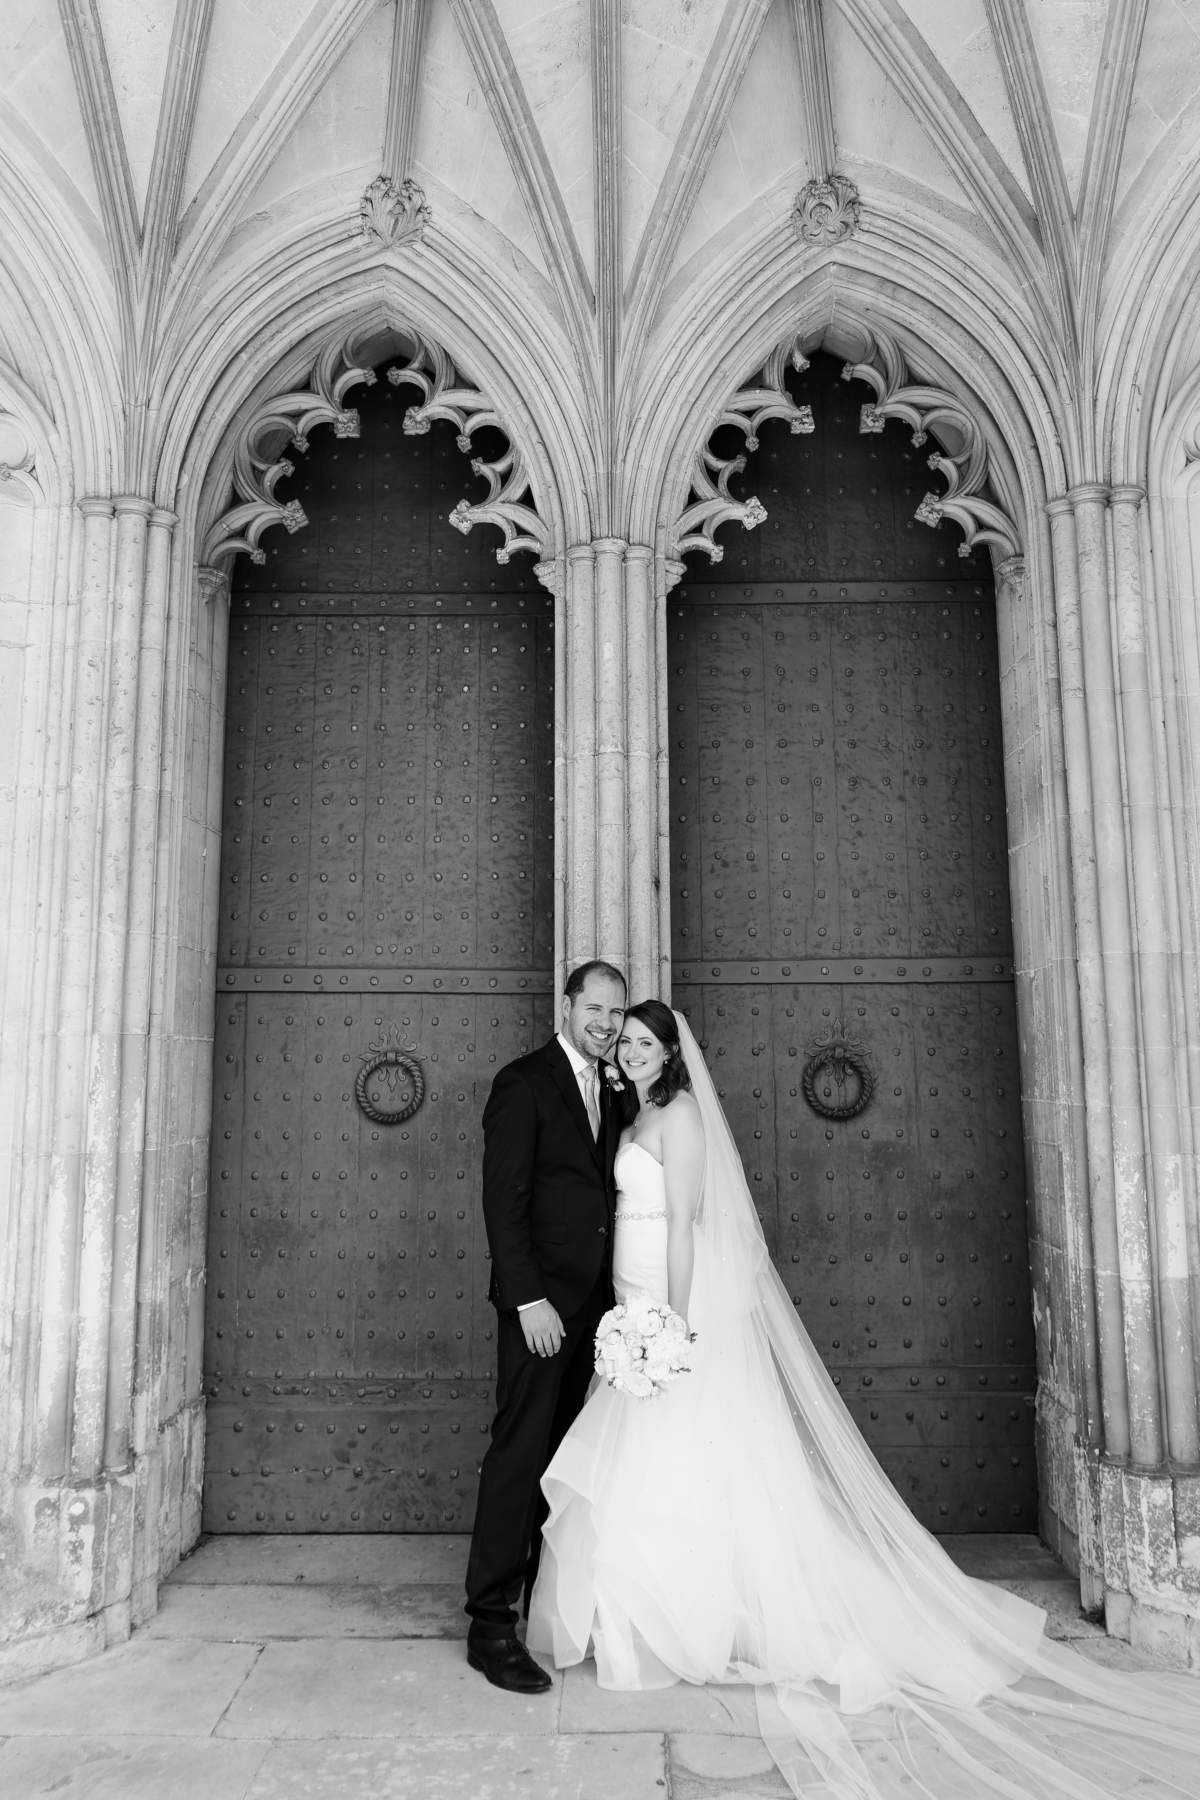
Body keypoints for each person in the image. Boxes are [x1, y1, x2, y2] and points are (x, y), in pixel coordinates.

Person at [527, 1002, 1200, 1800]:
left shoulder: (680, 1117)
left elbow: (684, 1226)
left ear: (672, 1053)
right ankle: (638, 1614)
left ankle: (685, 1612)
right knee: (642, 1444)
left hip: (668, 1299)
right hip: (629, 1292)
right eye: (626, 1043)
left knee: (683, 1443)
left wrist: (668, 1315)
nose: (633, 1052)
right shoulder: (636, 1114)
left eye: (646, 1043)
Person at [463, 959, 626, 1692]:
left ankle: (544, 1607)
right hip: (540, 1310)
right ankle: (489, 1624)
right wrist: (529, 1302)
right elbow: (505, 1202)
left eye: (615, 1014)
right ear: (566, 1004)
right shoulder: (523, 1082)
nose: (605, 1023)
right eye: (594, 1008)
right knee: (520, 1452)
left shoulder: (614, 1090)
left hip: (595, 1311)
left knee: (566, 1460)